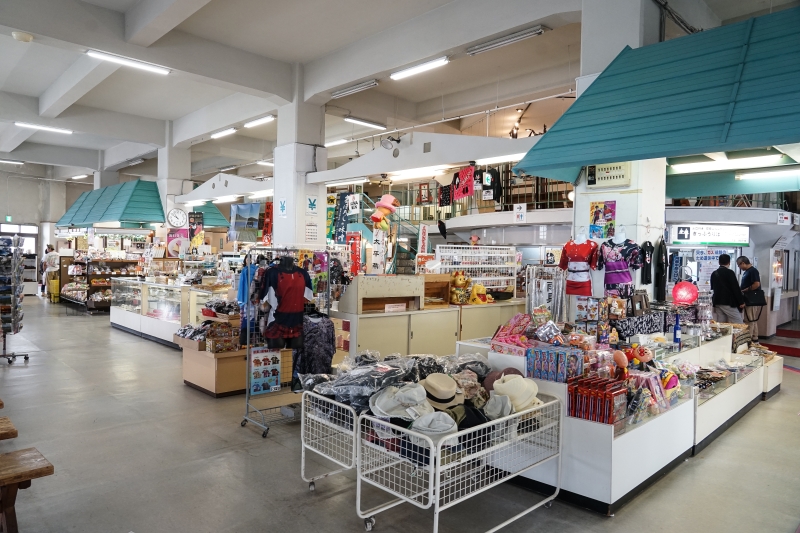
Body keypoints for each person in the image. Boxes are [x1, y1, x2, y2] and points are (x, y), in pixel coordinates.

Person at [709, 254, 744, 324]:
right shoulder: (730, 273)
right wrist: (741, 302)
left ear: (719, 262)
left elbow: (712, 288)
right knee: (738, 322)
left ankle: (721, 334)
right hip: (728, 302)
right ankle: (739, 335)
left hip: (717, 301)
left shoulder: (714, 273)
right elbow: (735, 288)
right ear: (729, 263)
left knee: (721, 323)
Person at [737, 256, 762, 342]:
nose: (739, 267)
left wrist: (745, 290)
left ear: (743, 263)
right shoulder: (748, 272)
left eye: (739, 265)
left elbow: (756, 284)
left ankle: (749, 339)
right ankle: (755, 338)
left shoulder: (753, 271)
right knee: (752, 319)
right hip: (749, 299)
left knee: (749, 320)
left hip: (751, 299)